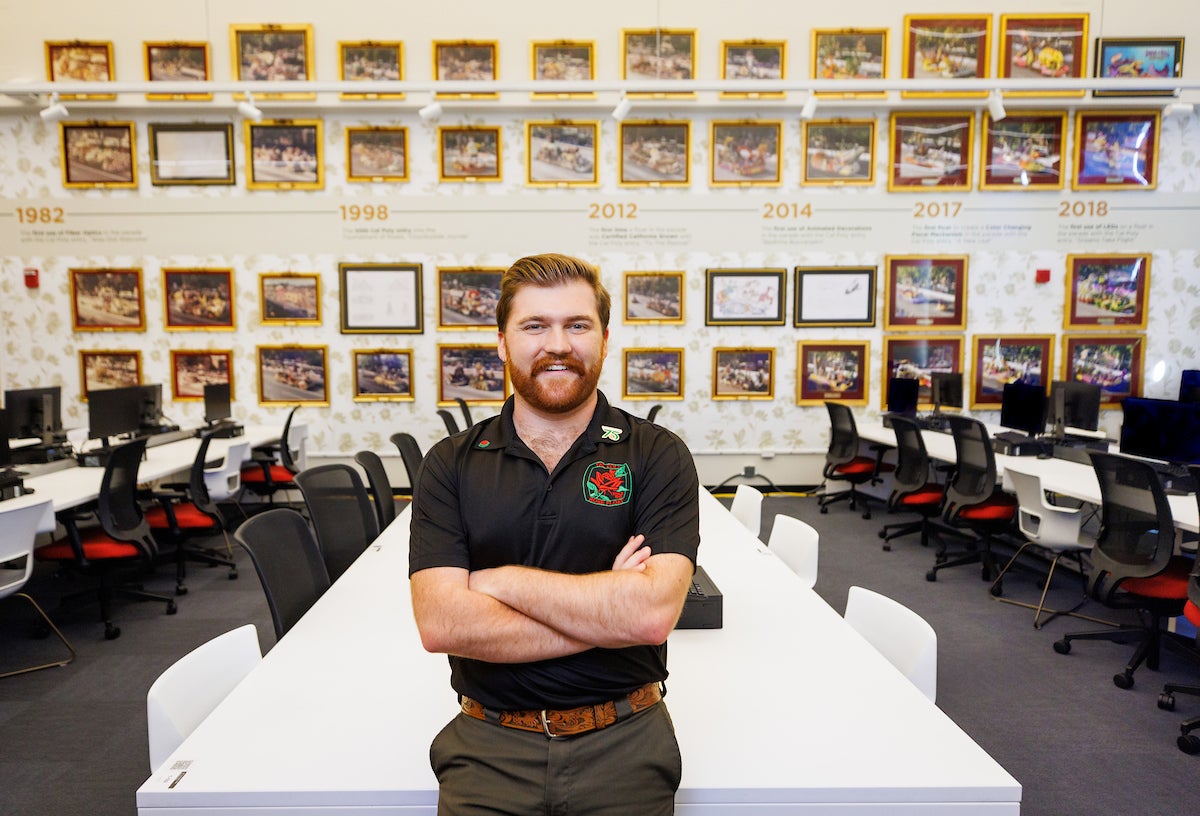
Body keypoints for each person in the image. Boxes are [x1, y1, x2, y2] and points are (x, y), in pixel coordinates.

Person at [409, 253, 700, 815]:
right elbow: (442, 622)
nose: (558, 344)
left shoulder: (658, 456)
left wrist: (496, 582)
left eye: (577, 325)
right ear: (502, 342)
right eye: (535, 326)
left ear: (605, 339)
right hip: (486, 746)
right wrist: (607, 612)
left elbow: (650, 616)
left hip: (626, 742)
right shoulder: (450, 464)